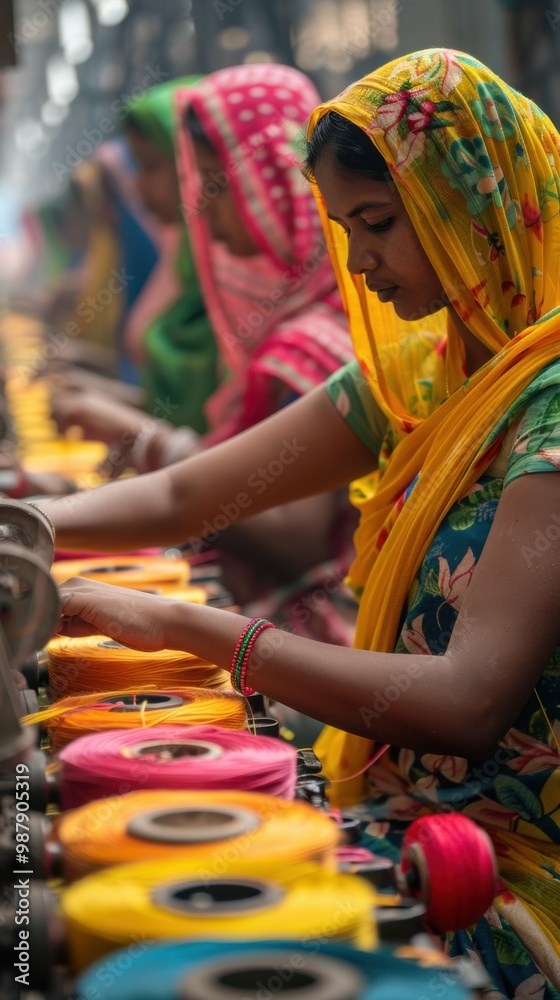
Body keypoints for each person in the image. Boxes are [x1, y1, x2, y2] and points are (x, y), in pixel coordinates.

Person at [44, 49, 559, 995]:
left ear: (472, 211)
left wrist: (189, 626)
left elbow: (469, 700)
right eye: (344, 230)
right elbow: (184, 497)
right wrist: (28, 530)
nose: (359, 265)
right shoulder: (422, 375)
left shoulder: (552, 410)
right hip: (401, 815)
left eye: (378, 225)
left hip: (498, 875)